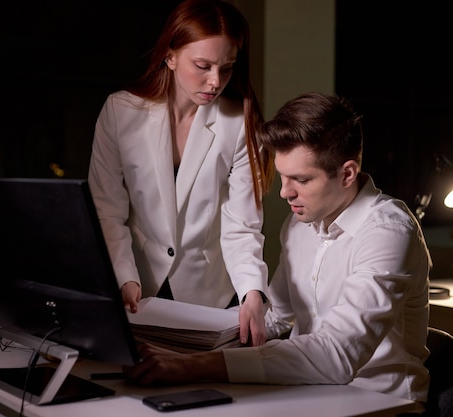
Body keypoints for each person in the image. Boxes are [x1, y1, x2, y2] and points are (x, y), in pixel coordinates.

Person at [123, 92, 431, 409]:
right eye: (283, 176)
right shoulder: (299, 224)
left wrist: (191, 365)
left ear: (347, 173)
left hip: (381, 403)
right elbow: (275, 320)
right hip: (307, 394)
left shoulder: (388, 232)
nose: (284, 192)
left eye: (301, 179)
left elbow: (337, 355)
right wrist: (165, 338)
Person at [87, 0, 274, 346]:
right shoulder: (120, 112)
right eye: (202, 65)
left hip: (210, 296)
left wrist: (252, 292)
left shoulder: (240, 120)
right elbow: (107, 212)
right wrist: (123, 276)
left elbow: (242, 225)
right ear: (170, 57)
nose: (215, 81)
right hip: (137, 287)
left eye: (227, 67)